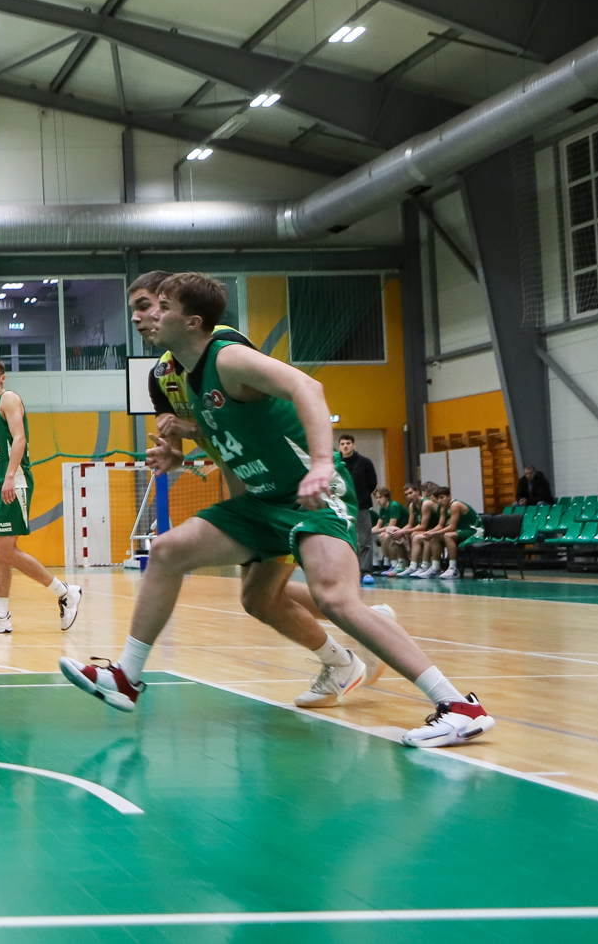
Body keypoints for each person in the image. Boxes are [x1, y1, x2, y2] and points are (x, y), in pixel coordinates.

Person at [61, 274, 494, 748]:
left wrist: (325, 463)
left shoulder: (228, 356)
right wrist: (177, 454)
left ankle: (458, 706)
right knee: (170, 552)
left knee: (334, 597)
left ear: (192, 321)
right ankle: (127, 677)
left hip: (311, 493)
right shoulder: (182, 377)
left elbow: (308, 387)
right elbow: (227, 432)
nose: (149, 315)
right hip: (262, 500)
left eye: (160, 306)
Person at [127, 272, 387, 706]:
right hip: (244, 489)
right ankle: (358, 631)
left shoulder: (223, 347)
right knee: (259, 596)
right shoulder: (160, 377)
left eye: (146, 305)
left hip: (282, 484)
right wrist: (175, 451)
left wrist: (320, 463)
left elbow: (259, 404)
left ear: (178, 309)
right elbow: (177, 440)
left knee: (262, 596)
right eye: (133, 309)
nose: (139, 318)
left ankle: (352, 645)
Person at [0, 357, 81, 635]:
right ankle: (0, 616)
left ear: (2, 378)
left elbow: (20, 439)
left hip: (12, 482)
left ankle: (64, 591)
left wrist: (8, 477)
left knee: (6, 549)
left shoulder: (9, 399)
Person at [337, 433, 379, 570]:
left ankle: (366, 570)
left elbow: (372, 483)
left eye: (348, 443)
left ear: (353, 445)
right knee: (343, 539)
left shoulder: (365, 462)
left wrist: (360, 496)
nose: (345, 446)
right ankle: (347, 570)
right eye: (342, 444)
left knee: (365, 540)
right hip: (341, 507)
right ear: (339, 446)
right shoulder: (336, 463)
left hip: (361, 506)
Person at [437, 485, 483, 579]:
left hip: (475, 531)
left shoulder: (455, 505)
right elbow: (440, 526)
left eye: (442, 498)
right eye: (438, 498)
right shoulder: (443, 508)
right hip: (462, 531)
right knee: (434, 537)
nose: (439, 501)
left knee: (448, 536)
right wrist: (429, 533)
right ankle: (434, 567)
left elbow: (452, 527)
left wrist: (434, 533)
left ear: (449, 496)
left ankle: (453, 568)